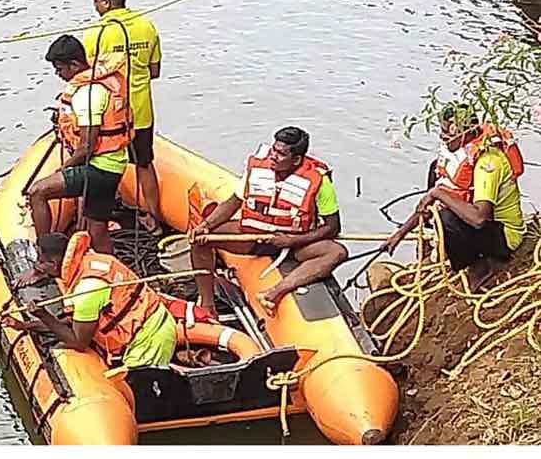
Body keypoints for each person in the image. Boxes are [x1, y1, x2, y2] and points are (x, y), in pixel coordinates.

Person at [188, 127, 348, 317]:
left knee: (337, 252)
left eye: (281, 154)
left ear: (296, 160)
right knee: (201, 240)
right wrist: (206, 225)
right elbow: (234, 202)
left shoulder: (320, 183)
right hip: (254, 236)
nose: (273, 156)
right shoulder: (258, 169)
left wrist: (291, 241)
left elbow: (332, 227)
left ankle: (274, 293)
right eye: (274, 150)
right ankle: (207, 304)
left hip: (295, 242)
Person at [383, 105, 526, 290]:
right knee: (437, 183)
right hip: (487, 229)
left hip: (505, 237)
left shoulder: (487, 164)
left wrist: (437, 194)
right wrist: (399, 234)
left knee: (447, 218)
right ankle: (457, 253)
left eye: (448, 134)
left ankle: (480, 267)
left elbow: (479, 218)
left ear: (465, 133)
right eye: (441, 132)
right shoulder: (460, 155)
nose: (443, 139)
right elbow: (435, 200)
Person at [4, 232, 177, 368]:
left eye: (41, 263)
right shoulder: (91, 260)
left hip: (149, 342)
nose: (38, 268)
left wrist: (43, 315)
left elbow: (78, 342)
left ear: (54, 263)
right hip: (151, 323)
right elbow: (71, 322)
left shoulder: (87, 291)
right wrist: (25, 326)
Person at [27, 35, 133, 255]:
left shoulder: (87, 95)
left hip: (99, 168)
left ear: (74, 65)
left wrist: (63, 169)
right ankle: (110, 268)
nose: (58, 74)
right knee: (97, 229)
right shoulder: (101, 81)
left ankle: (44, 258)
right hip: (115, 163)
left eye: (59, 69)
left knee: (37, 192)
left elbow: (86, 146)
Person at [82, 0, 163, 234]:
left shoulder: (95, 34)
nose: (94, 6)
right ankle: (154, 219)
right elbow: (155, 70)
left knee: (101, 166)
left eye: (95, 1)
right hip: (141, 112)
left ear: (105, 2)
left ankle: (101, 219)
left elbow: (87, 78)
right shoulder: (147, 26)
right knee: (144, 163)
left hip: (110, 117)